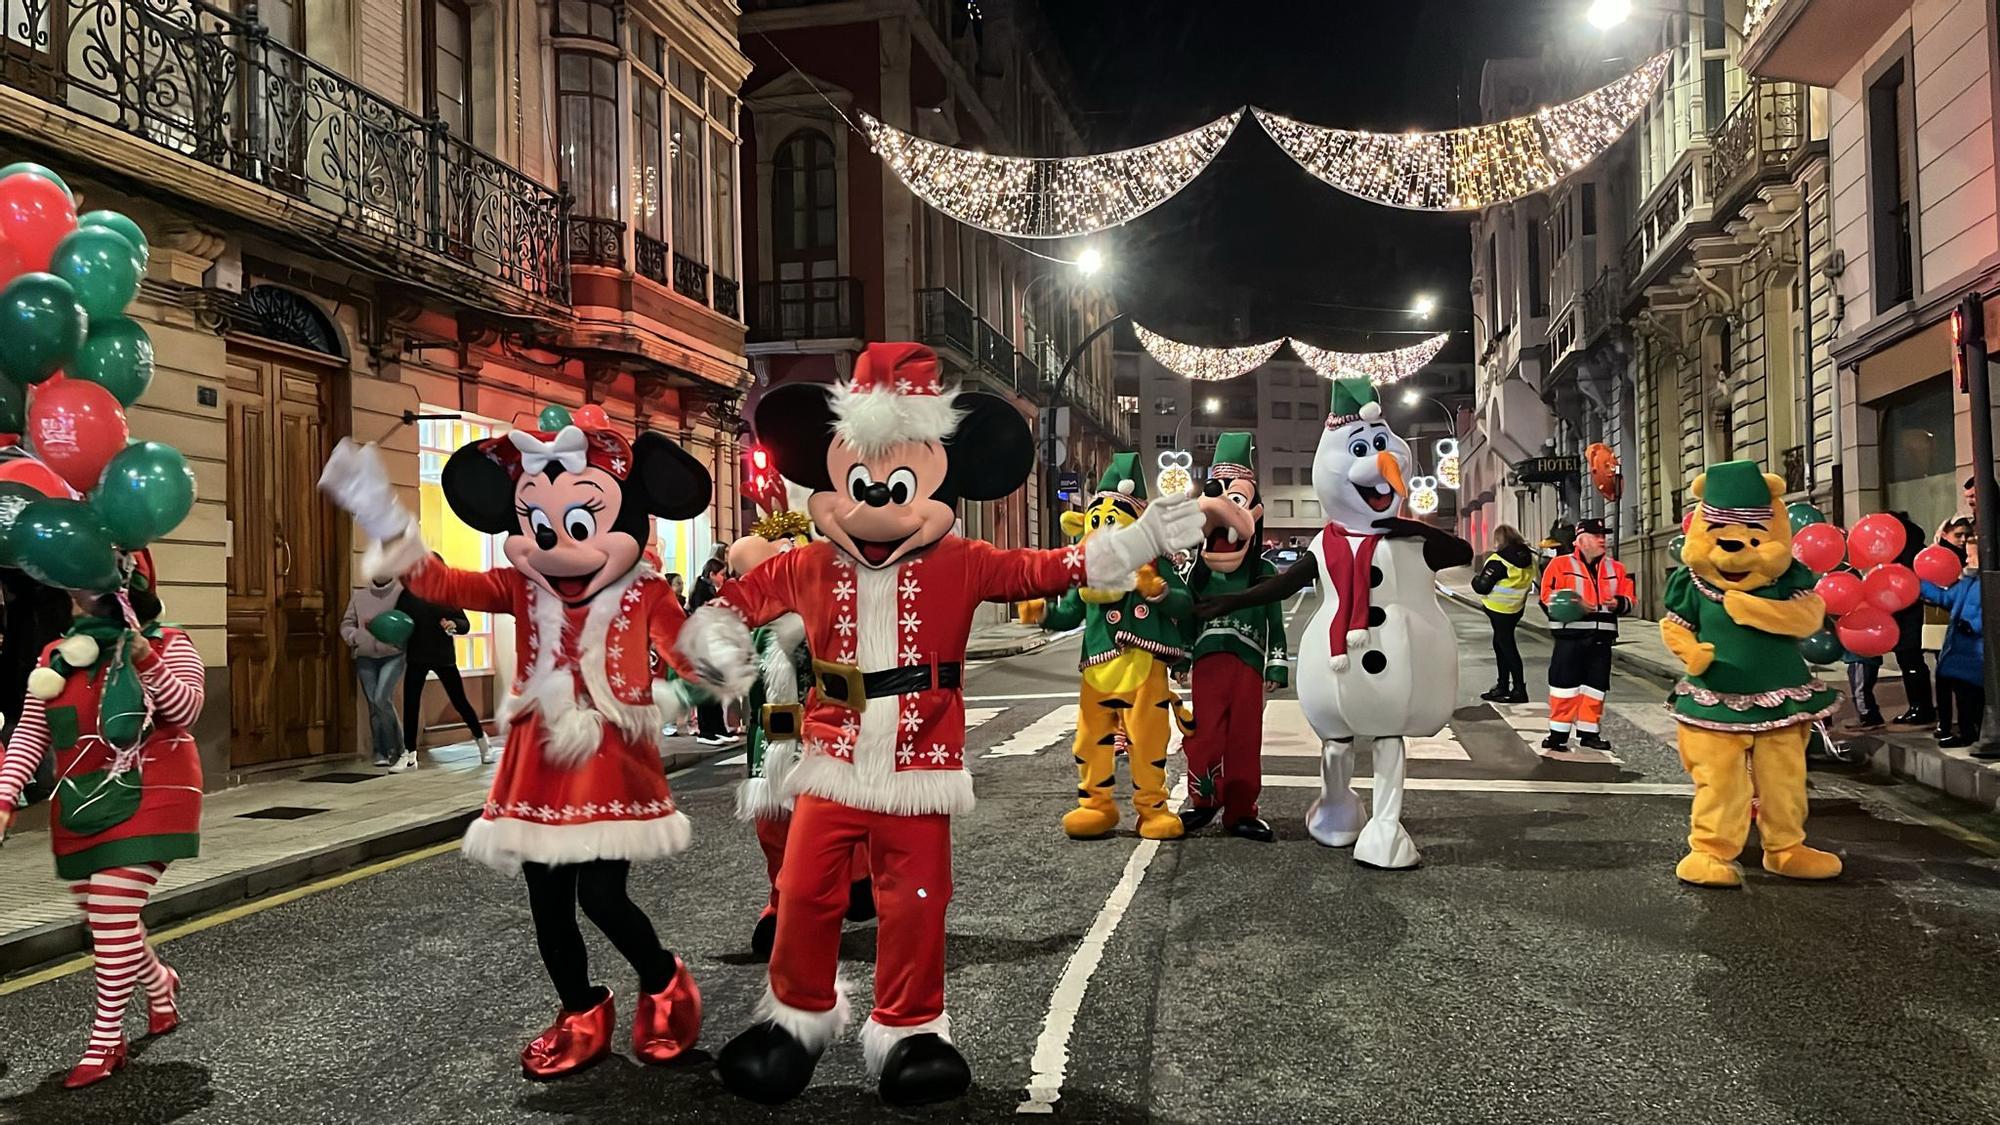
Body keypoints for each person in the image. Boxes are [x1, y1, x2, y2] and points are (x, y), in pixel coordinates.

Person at [678, 342, 1199, 1106]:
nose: (878, 502)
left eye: (896, 484)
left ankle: (912, 1027)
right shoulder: (808, 565)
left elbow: (1049, 568)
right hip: (831, 760)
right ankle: (794, 1019)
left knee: (916, 900)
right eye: (862, 482)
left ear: (934, 475)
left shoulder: (962, 560)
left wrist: (1144, 538)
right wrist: (718, 647)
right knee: (802, 892)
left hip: (921, 770)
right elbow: (733, 604)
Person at [320, 414, 713, 1080]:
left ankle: (665, 981)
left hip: (613, 761)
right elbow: (442, 585)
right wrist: (381, 514)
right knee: (548, 901)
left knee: (603, 896)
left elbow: (697, 661)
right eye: (539, 525)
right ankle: (582, 1009)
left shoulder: (644, 589)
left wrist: (668, 699)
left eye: (579, 524)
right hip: (539, 762)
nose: (556, 547)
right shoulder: (519, 585)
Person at [0, 553, 204, 1087]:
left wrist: (143, 658)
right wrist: (3, 798)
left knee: (112, 909)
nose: (80, 595)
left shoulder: (168, 641)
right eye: (73, 587)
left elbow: (185, 714)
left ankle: (106, 1040)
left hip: (156, 790)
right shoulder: (53, 659)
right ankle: (160, 985)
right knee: (107, 917)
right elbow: (29, 737)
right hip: (83, 802)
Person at [1178, 432, 1288, 840]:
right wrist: (1182, 659)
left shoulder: (1264, 573)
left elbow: (1275, 622)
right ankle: (1203, 801)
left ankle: (1241, 808)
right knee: (1203, 734)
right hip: (1208, 666)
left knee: (1244, 737)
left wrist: (1277, 662)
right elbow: (1187, 621)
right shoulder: (1197, 574)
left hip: (1248, 668)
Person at [1538, 517, 1633, 751]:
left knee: (1595, 687)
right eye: (1596, 536)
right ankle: (1558, 734)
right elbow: (1545, 596)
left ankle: (1589, 733)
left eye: (1604, 536)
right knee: (1564, 686)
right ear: (1581, 541)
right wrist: (1573, 604)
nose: (1603, 540)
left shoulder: (1616, 568)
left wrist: (1618, 603)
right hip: (1570, 636)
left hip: (1602, 638)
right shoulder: (1560, 565)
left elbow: (1630, 600)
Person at [397, 557, 494, 768]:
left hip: (443, 656)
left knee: (459, 701)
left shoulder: (447, 594)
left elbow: (465, 624)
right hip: (416, 655)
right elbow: (400, 621)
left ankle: (481, 740)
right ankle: (409, 754)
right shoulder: (408, 595)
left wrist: (453, 624)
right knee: (411, 703)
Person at [1924, 518, 1985, 752]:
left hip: (1973, 653)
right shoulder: (1967, 582)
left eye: (1971, 555)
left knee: (1971, 698)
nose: (1967, 559)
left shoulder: (1983, 583)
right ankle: (1966, 731)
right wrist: (1917, 584)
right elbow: (1946, 599)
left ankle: (1971, 732)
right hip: (1961, 651)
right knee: (1963, 695)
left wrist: (1973, 627)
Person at [340, 575, 407, 767]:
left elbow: (408, 622)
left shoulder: (400, 594)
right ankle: (381, 750)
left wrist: (396, 636)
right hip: (366, 656)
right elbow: (347, 623)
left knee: (381, 699)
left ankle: (400, 747)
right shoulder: (359, 596)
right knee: (374, 705)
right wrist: (355, 637)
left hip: (393, 654)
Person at [1470, 524, 1536, 704]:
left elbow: (1481, 586)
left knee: (1506, 647)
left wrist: (1475, 578)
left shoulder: (1498, 560)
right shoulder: (1528, 557)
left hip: (1498, 609)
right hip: (1516, 609)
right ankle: (1503, 686)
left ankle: (1518, 689)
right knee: (1500, 644)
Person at [1887, 511, 1935, 727]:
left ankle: (1920, 708)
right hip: (1904, 614)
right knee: (1910, 662)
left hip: (1909, 615)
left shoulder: (1908, 553)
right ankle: (1918, 707)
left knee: (1911, 661)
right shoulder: (1906, 549)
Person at [687, 558, 737, 747]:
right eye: (722, 574)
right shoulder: (702, 592)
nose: (723, 578)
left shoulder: (707, 590)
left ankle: (717, 728)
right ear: (712, 574)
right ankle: (707, 730)